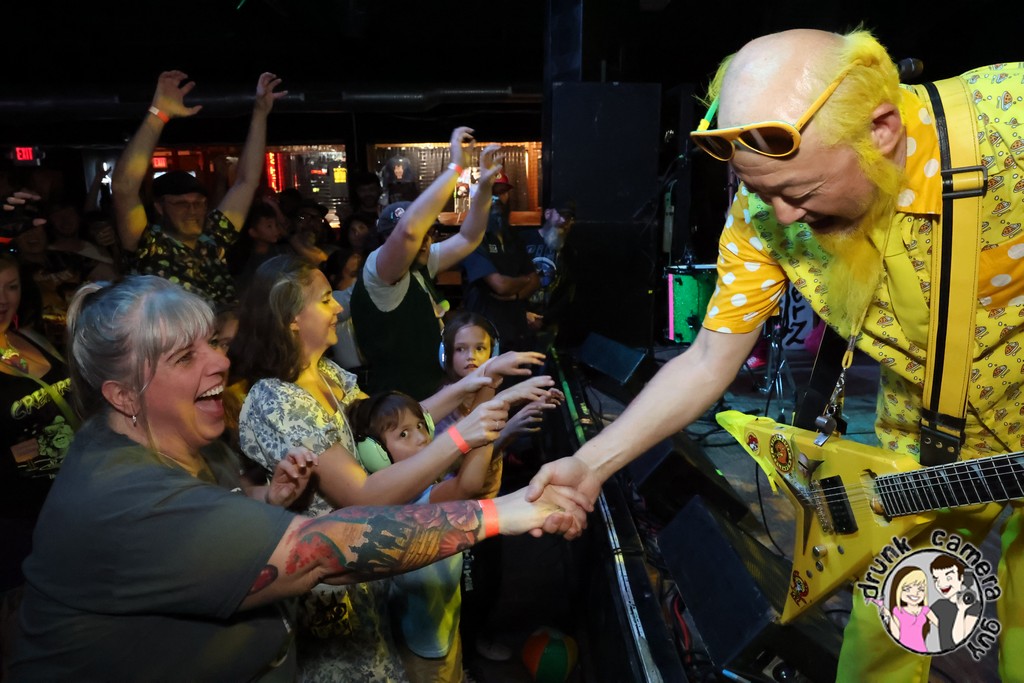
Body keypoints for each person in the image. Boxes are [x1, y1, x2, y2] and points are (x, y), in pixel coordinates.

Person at [526, 28, 1024, 682]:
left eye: (801, 192)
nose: (782, 218)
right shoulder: (762, 210)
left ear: (880, 130)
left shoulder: (1008, 125)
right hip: (921, 446)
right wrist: (590, 464)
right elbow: (708, 358)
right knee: (885, 639)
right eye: (763, 192)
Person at [3, 274, 586, 681]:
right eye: (185, 358)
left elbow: (221, 501)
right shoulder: (122, 494)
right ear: (123, 395)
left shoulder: (177, 443)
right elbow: (323, 551)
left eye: (213, 344)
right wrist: (504, 512)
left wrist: (265, 497)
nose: (220, 362)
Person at [228, 254, 552, 681]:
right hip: (325, 591)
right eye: (324, 300)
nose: (338, 307)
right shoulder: (276, 399)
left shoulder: (326, 373)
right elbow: (361, 495)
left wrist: (476, 381)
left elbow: (394, 425)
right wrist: (461, 435)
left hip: (361, 571)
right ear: (291, 318)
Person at [436, 309, 563, 666]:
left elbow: (485, 451)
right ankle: (464, 659)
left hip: (488, 503)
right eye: (461, 349)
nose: (471, 357)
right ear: (446, 355)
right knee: (470, 589)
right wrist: (511, 427)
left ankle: (475, 642)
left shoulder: (486, 395)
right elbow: (461, 469)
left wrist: (518, 421)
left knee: (490, 582)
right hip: (460, 513)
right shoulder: (446, 404)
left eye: (480, 348)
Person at [110, 70, 286, 307]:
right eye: (181, 204)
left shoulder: (213, 236)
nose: (192, 210)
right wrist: (159, 113)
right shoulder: (149, 245)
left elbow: (246, 181)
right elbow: (124, 187)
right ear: (160, 207)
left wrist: (260, 113)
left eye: (199, 203)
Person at [350, 131, 502, 399]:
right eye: (419, 235)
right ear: (386, 241)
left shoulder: (420, 262)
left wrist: (484, 187)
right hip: (399, 404)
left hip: (431, 394)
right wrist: (456, 167)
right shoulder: (378, 271)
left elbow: (469, 237)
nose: (423, 241)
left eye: (429, 233)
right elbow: (409, 232)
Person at [0, 245, 77, 600]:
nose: (3, 299)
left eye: (11, 286)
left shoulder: (29, 337)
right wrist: (17, 455)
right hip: (19, 520)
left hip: (70, 499)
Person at [461, 171, 541, 354]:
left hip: (517, 331)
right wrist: (524, 281)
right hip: (484, 334)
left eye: (502, 192)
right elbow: (501, 286)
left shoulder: (513, 236)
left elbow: (535, 281)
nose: (497, 198)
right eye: (492, 193)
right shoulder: (474, 238)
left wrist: (515, 295)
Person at [523, 203, 577, 351]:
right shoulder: (523, 240)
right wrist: (522, 313)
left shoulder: (569, 252)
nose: (564, 221)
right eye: (561, 215)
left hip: (546, 327)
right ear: (548, 214)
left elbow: (568, 292)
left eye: (569, 217)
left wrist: (546, 319)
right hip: (516, 320)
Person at [929, 555, 982, 651]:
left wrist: (961, 610)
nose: (941, 584)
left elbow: (958, 640)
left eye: (948, 577)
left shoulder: (974, 606)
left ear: (961, 578)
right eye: (936, 579)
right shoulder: (939, 605)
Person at [881, 566, 938, 653]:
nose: (915, 593)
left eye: (921, 589)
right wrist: (888, 616)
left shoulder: (925, 610)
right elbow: (896, 635)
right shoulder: (897, 611)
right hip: (902, 651)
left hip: (921, 650)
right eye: (907, 589)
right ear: (898, 590)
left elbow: (940, 625)